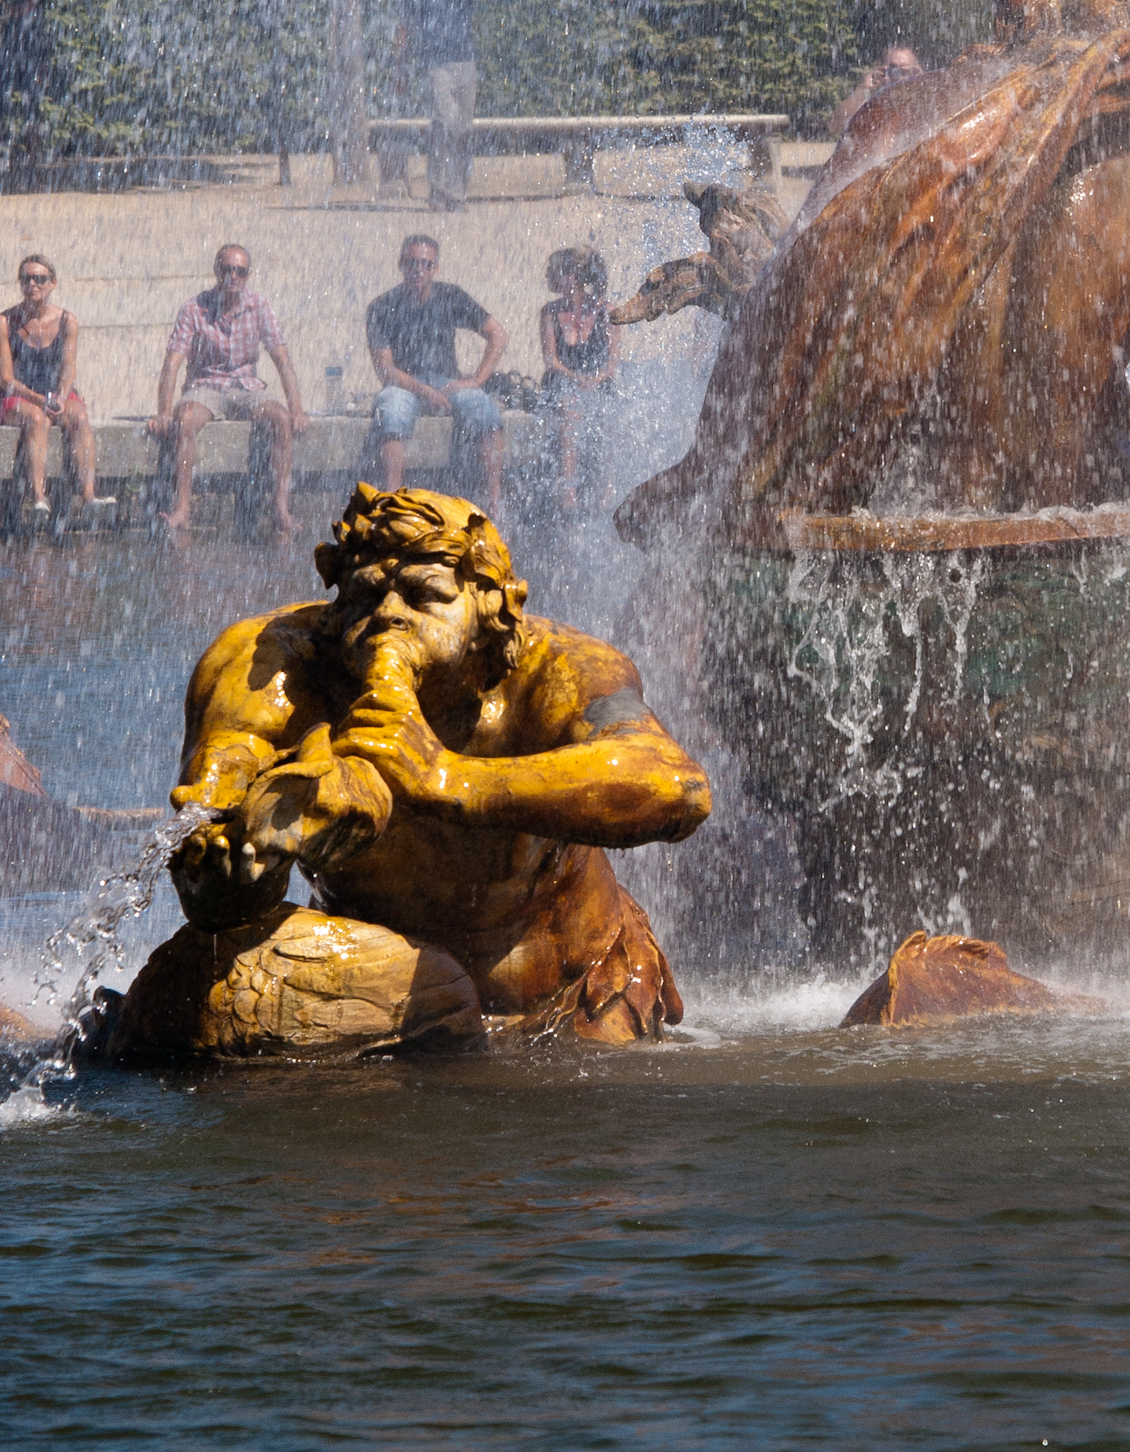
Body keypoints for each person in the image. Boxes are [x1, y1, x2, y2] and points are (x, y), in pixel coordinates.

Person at [101, 485, 710, 1060]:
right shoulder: (269, 664)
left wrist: (446, 777)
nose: (389, 614)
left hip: (574, 995)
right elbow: (213, 854)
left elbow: (676, 787)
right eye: (365, 595)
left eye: (424, 596)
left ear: (490, 605)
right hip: (382, 995)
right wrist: (235, 862)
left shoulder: (557, 669)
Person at [148, 245, 306, 537]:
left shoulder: (259, 306)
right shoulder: (194, 309)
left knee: (281, 419)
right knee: (184, 421)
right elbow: (172, 363)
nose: (233, 276)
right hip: (206, 384)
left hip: (246, 385)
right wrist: (163, 412)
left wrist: (296, 409)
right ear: (216, 270)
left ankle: (280, 508)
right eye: (227, 269)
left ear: (247, 275)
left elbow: (282, 359)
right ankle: (183, 507)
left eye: (240, 271)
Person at [366, 234, 507, 508]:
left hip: (446, 382)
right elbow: (385, 370)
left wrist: (476, 380)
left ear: (435, 268)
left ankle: (495, 503)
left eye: (426, 264)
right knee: (392, 409)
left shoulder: (451, 296)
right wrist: (424, 391)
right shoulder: (382, 306)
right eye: (412, 262)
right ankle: (391, 502)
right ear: (400, 264)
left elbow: (498, 335)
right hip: (404, 384)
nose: (418, 270)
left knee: (485, 408)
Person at [1, 253, 107, 524]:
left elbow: (69, 367)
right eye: (26, 279)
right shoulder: (6, 321)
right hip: (18, 395)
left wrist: (60, 395)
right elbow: (6, 379)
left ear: (52, 283)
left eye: (40, 279)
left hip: (53, 391)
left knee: (79, 415)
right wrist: (41, 399)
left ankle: (89, 495)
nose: (32, 284)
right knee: (37, 419)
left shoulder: (66, 321)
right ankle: (39, 497)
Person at [400, 0, 490, 210]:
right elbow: (405, 27)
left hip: (465, 63)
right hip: (437, 64)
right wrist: (400, 67)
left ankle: (456, 193)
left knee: (462, 129)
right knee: (446, 122)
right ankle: (440, 188)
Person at [539, 248, 618, 517]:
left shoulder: (607, 312)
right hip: (562, 381)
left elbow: (611, 365)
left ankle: (607, 492)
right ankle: (568, 494)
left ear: (573, 276)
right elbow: (552, 361)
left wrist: (594, 379)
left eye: (555, 272)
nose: (549, 277)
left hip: (598, 381)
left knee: (608, 413)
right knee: (569, 407)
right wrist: (576, 378)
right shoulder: (550, 313)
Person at [0, 0, 52, 172]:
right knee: (3, 95)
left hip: (31, 43)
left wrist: (13, 7)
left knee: (31, 100)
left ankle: (32, 157)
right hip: (12, 41)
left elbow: (29, 6)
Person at [830, 42, 924, 142]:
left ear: (917, 72)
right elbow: (835, 127)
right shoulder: (872, 103)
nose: (899, 77)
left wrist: (924, 83)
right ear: (881, 70)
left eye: (906, 71)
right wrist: (863, 89)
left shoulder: (925, 101)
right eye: (893, 69)